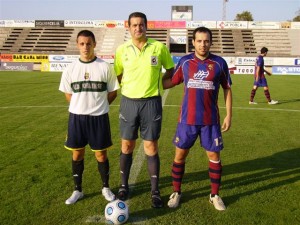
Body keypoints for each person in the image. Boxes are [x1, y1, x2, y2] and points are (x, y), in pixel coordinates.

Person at [163, 27, 232, 211]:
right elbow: (170, 82)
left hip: (211, 121)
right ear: (193, 42)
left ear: (211, 42)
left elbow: (227, 88)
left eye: (206, 41)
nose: (203, 44)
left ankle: (215, 195)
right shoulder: (185, 62)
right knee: (180, 155)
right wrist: (153, 75)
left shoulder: (219, 63)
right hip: (187, 120)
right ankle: (176, 192)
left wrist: (229, 115)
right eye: (199, 41)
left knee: (214, 156)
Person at [114, 12, 174, 208]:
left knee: (151, 147)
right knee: (127, 146)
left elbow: (170, 70)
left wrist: (161, 85)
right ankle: (123, 186)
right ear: (128, 27)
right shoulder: (121, 50)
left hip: (151, 103)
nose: (138, 28)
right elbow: (119, 75)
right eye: (134, 25)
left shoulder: (159, 47)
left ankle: (155, 191)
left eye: (141, 25)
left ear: (146, 26)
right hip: (129, 103)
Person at [59, 30, 119, 205]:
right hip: (77, 118)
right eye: (82, 43)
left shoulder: (104, 67)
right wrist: (81, 106)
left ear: (94, 44)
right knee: (77, 154)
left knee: (101, 154)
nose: (85, 47)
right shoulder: (70, 68)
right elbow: (68, 95)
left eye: (88, 43)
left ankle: (106, 187)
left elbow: (113, 92)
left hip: (99, 118)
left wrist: (98, 105)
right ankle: (77, 190)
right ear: (78, 45)